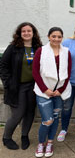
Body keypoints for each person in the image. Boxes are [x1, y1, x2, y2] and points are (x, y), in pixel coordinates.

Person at [0, 22, 42, 150]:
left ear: (33, 33)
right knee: (17, 114)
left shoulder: (39, 48)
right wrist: (8, 82)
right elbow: (3, 66)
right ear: (19, 33)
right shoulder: (13, 47)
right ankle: (7, 138)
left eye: (29, 31)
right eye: (23, 31)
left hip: (33, 86)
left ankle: (25, 136)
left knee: (30, 113)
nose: (26, 33)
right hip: (17, 87)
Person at [32, 27, 72, 158]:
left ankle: (50, 142)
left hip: (59, 92)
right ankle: (41, 143)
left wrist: (60, 90)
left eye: (59, 36)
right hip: (44, 92)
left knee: (55, 119)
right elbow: (35, 72)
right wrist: (45, 89)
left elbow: (68, 72)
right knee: (47, 120)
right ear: (48, 36)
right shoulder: (41, 51)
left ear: (62, 38)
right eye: (53, 36)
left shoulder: (66, 52)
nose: (56, 39)